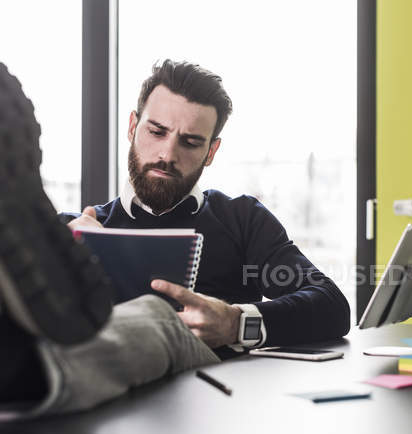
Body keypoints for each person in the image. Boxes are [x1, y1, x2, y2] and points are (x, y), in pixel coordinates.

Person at [0, 60, 350, 421]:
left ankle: (23, 375)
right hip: (106, 406)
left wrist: (234, 323)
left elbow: (331, 306)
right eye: (157, 132)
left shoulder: (242, 219)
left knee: (161, 319)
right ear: (133, 126)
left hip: (211, 404)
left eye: (190, 142)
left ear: (211, 152)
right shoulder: (77, 230)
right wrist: (82, 252)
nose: (168, 155)